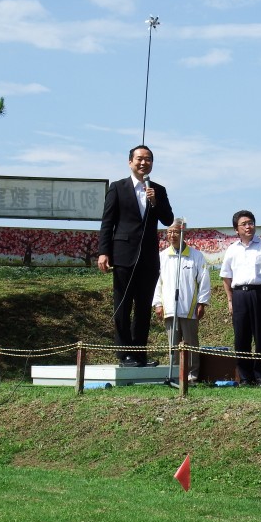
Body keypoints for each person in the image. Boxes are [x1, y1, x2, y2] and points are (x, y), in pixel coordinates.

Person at [97, 145, 174, 367]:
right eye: (139, 159)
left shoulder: (158, 189)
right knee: (122, 305)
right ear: (130, 162)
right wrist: (104, 252)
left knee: (143, 307)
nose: (143, 163)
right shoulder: (117, 187)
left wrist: (155, 202)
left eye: (148, 159)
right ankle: (125, 354)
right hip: (123, 255)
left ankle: (140, 353)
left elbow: (168, 219)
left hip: (148, 257)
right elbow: (107, 222)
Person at [220, 210, 261, 386]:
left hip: (259, 293)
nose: (248, 226)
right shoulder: (232, 250)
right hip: (239, 295)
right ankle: (245, 377)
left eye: (251, 223)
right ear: (236, 229)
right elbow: (226, 276)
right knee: (241, 337)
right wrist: (230, 299)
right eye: (244, 224)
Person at [152, 218, 211, 381]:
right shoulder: (163, 256)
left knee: (191, 343)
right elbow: (157, 281)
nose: (172, 235)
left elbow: (204, 280)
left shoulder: (196, 256)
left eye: (176, 232)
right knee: (173, 344)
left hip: (189, 307)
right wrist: (158, 303)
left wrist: (202, 302)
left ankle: (192, 375)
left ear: (183, 233)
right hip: (169, 307)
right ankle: (175, 374)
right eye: (169, 232)